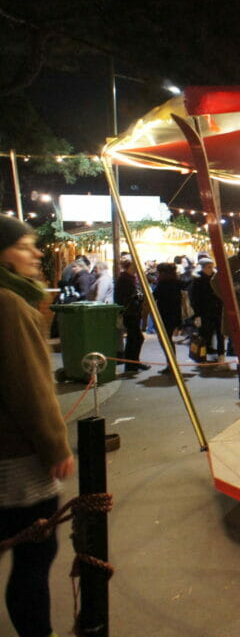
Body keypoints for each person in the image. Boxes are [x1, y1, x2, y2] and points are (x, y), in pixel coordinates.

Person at [0, 215, 75, 637]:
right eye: (26, 245)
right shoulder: (8, 303)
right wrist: (54, 446)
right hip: (14, 459)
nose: (37, 252)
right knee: (34, 552)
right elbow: (28, 385)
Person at [115, 257, 149, 373]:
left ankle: (134, 363)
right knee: (136, 338)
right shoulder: (125, 279)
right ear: (130, 266)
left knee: (134, 338)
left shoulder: (130, 278)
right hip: (130, 313)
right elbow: (125, 297)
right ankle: (132, 364)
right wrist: (138, 297)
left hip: (133, 312)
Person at [189, 257, 224, 362]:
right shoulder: (197, 280)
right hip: (205, 312)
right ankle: (202, 356)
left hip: (218, 310)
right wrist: (197, 314)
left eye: (212, 267)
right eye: (209, 267)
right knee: (204, 335)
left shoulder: (216, 278)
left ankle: (221, 354)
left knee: (220, 334)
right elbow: (194, 298)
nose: (211, 269)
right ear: (203, 268)